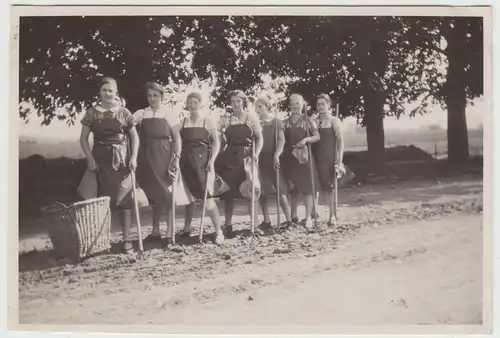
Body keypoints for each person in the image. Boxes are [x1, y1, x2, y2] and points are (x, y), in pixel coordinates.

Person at [80, 76, 139, 253]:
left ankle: (127, 240)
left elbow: (134, 136)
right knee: (101, 200)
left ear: (116, 93)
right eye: (104, 90)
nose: (107, 94)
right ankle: (102, 241)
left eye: (111, 90)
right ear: (99, 92)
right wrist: (90, 159)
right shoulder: (92, 113)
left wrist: (134, 156)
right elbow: (83, 139)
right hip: (100, 160)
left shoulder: (124, 112)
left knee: (124, 199)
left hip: (121, 161)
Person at [133, 81, 192, 247]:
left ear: (161, 97)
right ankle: (155, 231)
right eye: (149, 95)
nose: (152, 99)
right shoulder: (141, 113)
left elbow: (177, 137)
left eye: (155, 95)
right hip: (146, 156)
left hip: (164, 154)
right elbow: (127, 126)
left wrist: (176, 157)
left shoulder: (169, 113)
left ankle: (169, 232)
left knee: (167, 193)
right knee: (153, 194)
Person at [179, 92, 225, 245]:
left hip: (202, 162)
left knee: (208, 197)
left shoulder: (207, 121)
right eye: (189, 102)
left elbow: (216, 143)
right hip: (185, 162)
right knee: (188, 198)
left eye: (195, 102)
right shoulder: (183, 122)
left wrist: (212, 160)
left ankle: (219, 231)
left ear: (200, 104)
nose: (192, 106)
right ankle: (186, 228)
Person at [215, 90, 264, 236]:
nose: (236, 104)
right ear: (230, 104)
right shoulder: (225, 119)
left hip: (247, 158)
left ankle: (254, 225)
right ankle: (228, 225)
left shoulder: (251, 118)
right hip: (229, 158)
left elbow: (259, 138)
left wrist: (256, 154)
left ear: (243, 102)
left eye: (238, 101)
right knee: (228, 194)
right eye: (233, 101)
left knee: (250, 191)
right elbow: (215, 134)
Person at [281, 93, 321, 229]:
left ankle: (308, 216)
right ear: (290, 105)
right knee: (293, 188)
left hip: (304, 158)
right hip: (290, 158)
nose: (295, 106)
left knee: (307, 188)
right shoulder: (285, 122)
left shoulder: (308, 120)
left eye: (298, 103)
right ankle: (293, 215)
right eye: (293, 104)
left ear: (303, 104)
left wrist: (305, 140)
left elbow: (317, 136)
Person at [253, 95, 292, 230]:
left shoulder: (276, 122)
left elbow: (282, 141)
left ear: (267, 107)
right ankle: (266, 219)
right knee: (262, 190)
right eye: (256, 107)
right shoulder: (255, 123)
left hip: (273, 158)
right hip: (260, 159)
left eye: (260, 106)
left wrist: (277, 154)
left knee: (280, 189)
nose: (257, 109)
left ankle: (288, 220)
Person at [312, 94, 345, 226]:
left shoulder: (334, 121)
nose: (320, 107)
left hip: (329, 157)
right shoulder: (313, 121)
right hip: (316, 157)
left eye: (323, 104)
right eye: (318, 104)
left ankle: (332, 215)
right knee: (315, 186)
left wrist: (339, 159)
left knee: (330, 187)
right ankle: (313, 213)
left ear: (328, 105)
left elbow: (340, 140)